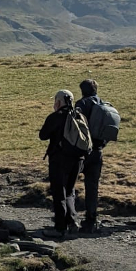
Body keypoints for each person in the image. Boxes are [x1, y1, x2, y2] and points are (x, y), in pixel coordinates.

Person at [38, 89, 84, 236]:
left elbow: (43, 135)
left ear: (58, 102)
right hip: (78, 159)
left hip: (59, 159)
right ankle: (73, 220)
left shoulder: (55, 117)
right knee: (70, 190)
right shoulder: (79, 115)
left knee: (59, 192)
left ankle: (60, 227)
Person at [76, 78, 110, 231]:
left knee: (68, 183)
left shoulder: (81, 104)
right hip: (98, 150)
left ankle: (67, 218)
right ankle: (91, 218)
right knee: (92, 186)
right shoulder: (104, 105)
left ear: (82, 90)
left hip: (82, 151)